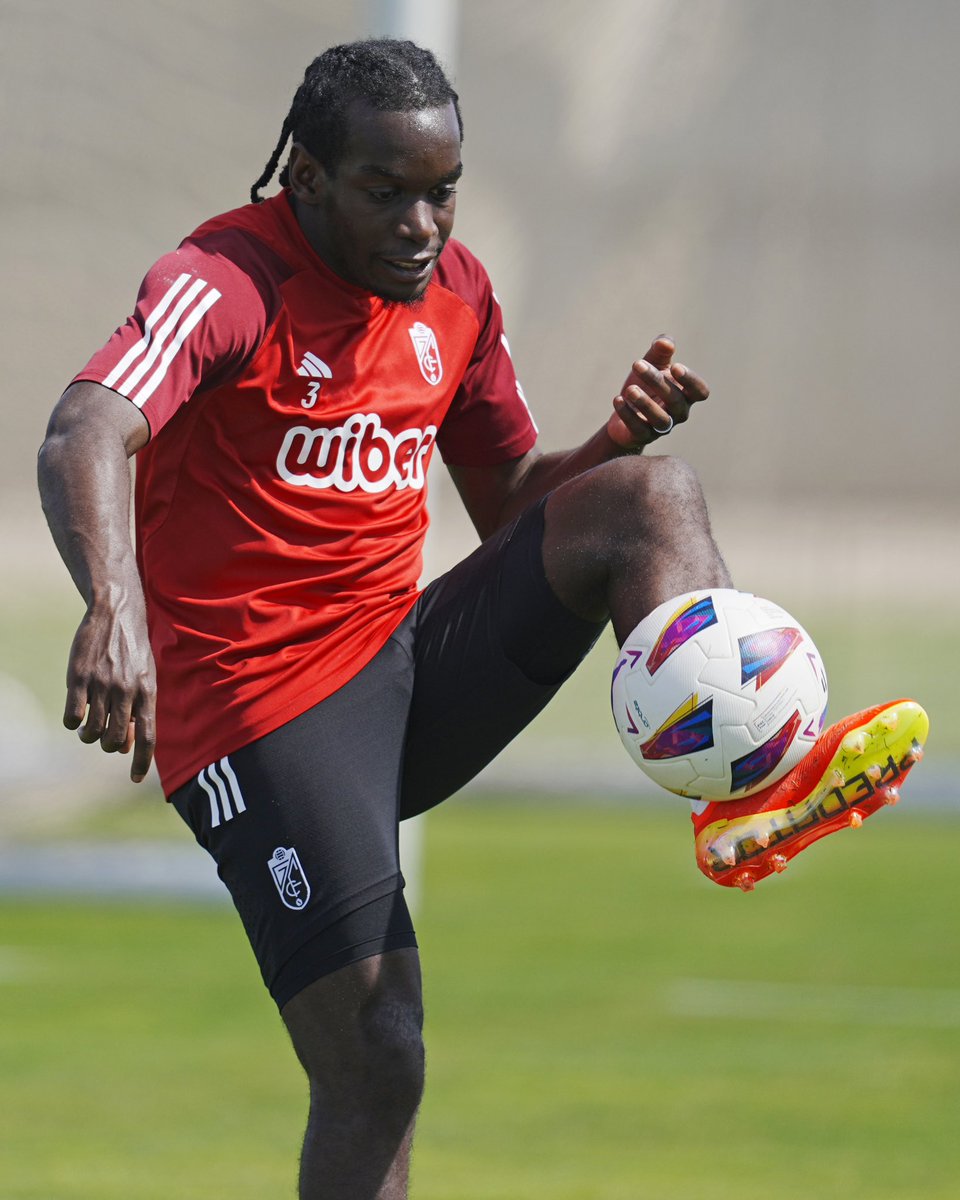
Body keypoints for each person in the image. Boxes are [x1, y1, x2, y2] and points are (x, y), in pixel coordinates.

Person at [37, 38, 928, 1200]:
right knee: (379, 1056)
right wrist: (114, 606)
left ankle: (746, 794)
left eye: (442, 190)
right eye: (387, 191)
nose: (423, 224)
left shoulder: (454, 294)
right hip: (258, 714)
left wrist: (615, 439)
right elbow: (84, 430)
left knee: (648, 499)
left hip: (400, 665)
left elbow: (509, 503)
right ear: (305, 177)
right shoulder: (224, 283)